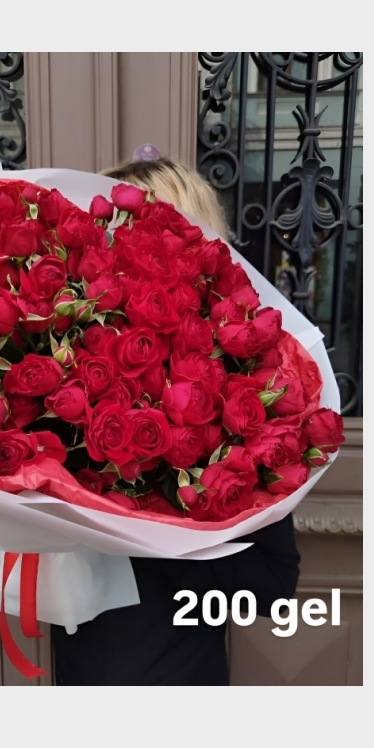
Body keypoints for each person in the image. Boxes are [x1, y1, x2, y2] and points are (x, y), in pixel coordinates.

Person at [51, 155, 301, 686]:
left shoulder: (242, 393)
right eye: (105, 237)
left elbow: (272, 585)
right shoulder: (63, 371)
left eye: (144, 236)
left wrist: (141, 524)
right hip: (81, 671)